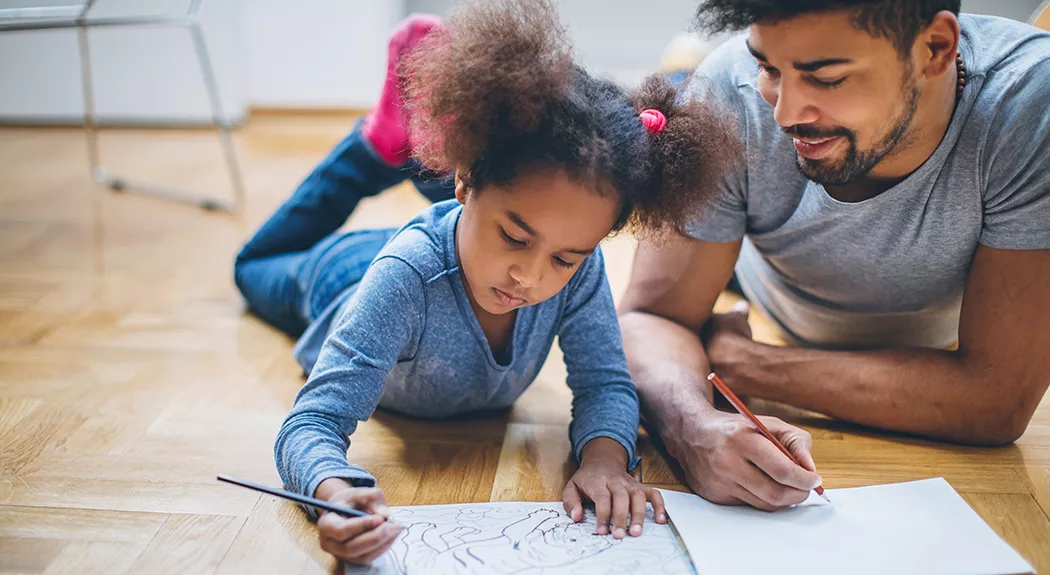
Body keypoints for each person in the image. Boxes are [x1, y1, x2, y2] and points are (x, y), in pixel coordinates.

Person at [234, 0, 738, 565]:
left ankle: (421, 155)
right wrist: (329, 492)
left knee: (516, 222)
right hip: (341, 275)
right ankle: (375, 146)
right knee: (252, 266)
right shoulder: (402, 278)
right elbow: (314, 420)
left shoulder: (578, 270)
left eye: (565, 258)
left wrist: (603, 461)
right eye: (516, 239)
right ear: (466, 181)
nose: (530, 277)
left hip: (451, 235)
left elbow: (605, 384)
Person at [620, 0, 1050, 514]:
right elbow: (648, 318)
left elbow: (994, 402)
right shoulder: (730, 93)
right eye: (769, 68)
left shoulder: (1028, 104)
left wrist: (747, 363)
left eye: (826, 79)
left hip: (902, 333)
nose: (783, 114)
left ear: (935, 49)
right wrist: (693, 425)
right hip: (754, 278)